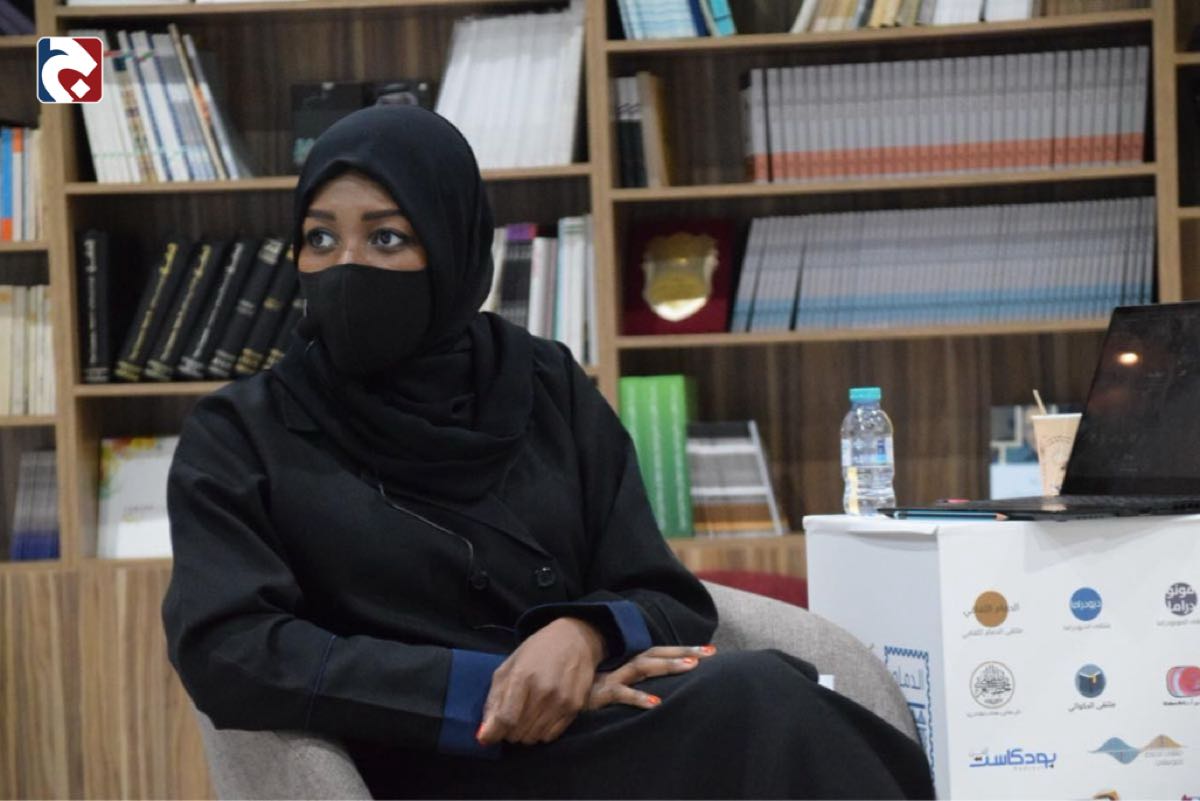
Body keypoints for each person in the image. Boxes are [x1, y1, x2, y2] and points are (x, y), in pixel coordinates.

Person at [162, 105, 933, 799]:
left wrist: (582, 634)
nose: (345, 265)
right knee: (759, 703)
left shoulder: (543, 382)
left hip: (595, 729)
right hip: (425, 753)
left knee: (769, 694)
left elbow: (661, 590)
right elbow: (229, 647)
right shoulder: (242, 431)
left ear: (454, 243)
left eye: (387, 237)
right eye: (320, 237)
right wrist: (487, 687)